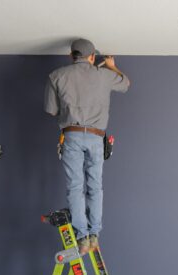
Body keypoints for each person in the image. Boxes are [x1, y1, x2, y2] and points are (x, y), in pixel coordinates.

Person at [44, 38, 130, 254]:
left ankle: (82, 238)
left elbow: (51, 110)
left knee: (75, 187)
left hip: (71, 136)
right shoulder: (104, 75)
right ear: (92, 57)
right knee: (95, 186)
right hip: (95, 138)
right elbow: (126, 84)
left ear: (71, 56)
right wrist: (111, 66)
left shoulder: (57, 75)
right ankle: (94, 234)